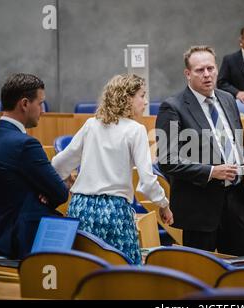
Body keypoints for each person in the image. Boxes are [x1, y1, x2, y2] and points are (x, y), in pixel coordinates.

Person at [51, 74, 173, 264]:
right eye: (142, 95)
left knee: (85, 269)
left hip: (81, 207)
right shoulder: (135, 130)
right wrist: (163, 204)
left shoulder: (91, 124)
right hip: (114, 211)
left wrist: (57, 183)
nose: (146, 101)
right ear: (127, 97)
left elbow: (60, 164)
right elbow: (147, 181)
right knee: (123, 271)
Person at [155, 46, 244, 256]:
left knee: (241, 271)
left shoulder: (227, 99)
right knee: (202, 274)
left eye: (211, 68)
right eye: (200, 70)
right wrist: (211, 171)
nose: (207, 75)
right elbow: (167, 160)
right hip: (199, 209)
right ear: (188, 74)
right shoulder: (172, 107)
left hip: (237, 204)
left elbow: (238, 143)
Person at [0, 73, 69, 259]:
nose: (42, 110)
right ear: (25, 104)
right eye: (40, 103)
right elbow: (60, 193)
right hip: (17, 245)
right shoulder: (26, 145)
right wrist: (42, 192)